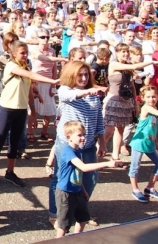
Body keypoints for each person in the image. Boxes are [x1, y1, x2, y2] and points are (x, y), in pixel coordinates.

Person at [48, 61, 108, 225]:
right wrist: (87, 91)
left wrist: (102, 142)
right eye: (79, 75)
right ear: (72, 75)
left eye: (86, 74)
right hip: (67, 144)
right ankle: (56, 213)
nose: (83, 78)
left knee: (90, 178)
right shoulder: (66, 90)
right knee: (61, 177)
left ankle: (80, 211)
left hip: (87, 144)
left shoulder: (94, 96)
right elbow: (66, 95)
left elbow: (98, 121)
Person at [0, 41, 59, 187]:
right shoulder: (11, 66)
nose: (25, 55)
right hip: (7, 108)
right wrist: (53, 80)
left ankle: (10, 172)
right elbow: (30, 75)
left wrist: (33, 112)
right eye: (22, 53)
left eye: (26, 53)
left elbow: (29, 90)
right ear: (14, 54)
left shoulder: (24, 66)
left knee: (15, 142)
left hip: (21, 109)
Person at [55, 121, 121, 238]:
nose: (83, 138)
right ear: (68, 137)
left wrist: (83, 191)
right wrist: (108, 164)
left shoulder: (79, 151)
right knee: (63, 226)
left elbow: (78, 175)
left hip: (78, 191)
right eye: (79, 135)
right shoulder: (68, 151)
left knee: (83, 218)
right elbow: (83, 168)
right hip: (65, 193)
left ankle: (77, 239)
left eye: (84, 134)